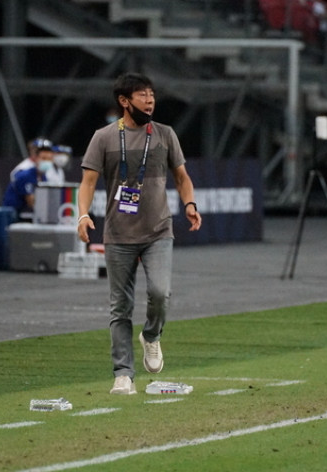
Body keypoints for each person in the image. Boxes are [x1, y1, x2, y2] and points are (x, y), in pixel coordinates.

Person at [77, 72, 202, 395]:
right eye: (143, 95)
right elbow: (88, 182)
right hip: (118, 234)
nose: (150, 100)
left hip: (158, 230)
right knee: (120, 307)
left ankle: (151, 335)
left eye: (152, 95)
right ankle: (123, 374)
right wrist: (82, 215)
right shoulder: (103, 137)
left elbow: (182, 176)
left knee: (160, 293)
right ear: (124, 101)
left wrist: (189, 204)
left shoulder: (164, 134)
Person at [2, 140, 55, 221]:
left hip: (26, 214)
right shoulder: (25, 175)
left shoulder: (44, 177)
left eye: (49, 159)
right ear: (36, 158)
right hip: (11, 214)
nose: (46, 161)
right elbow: (31, 202)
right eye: (44, 158)